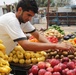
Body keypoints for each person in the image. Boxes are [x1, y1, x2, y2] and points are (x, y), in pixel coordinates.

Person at [0, 0, 74, 55]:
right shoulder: (11, 20)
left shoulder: (23, 21)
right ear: (20, 10)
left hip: (4, 56)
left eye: (31, 16)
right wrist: (55, 46)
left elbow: (37, 35)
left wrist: (52, 46)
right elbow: (26, 45)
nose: (30, 19)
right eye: (28, 15)